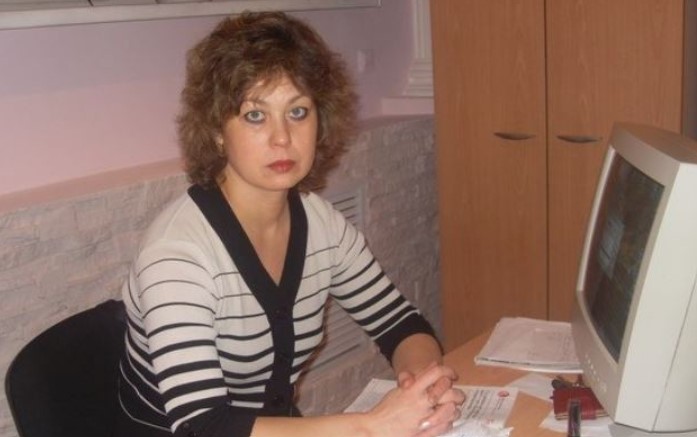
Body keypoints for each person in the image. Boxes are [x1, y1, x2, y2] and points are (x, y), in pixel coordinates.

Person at [115, 11, 465, 437]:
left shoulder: (319, 222)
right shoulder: (178, 255)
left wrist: (425, 385)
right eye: (255, 116)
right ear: (217, 130)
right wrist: (370, 427)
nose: (282, 138)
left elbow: (399, 323)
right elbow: (202, 427)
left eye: (298, 112)